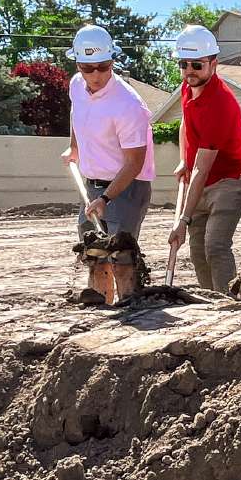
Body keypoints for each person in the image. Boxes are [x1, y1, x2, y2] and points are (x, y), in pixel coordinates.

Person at [61, 24, 155, 303]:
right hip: (91, 184)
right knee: (93, 250)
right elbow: (76, 114)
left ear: (113, 61)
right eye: (87, 68)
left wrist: (106, 198)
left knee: (121, 254)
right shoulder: (76, 85)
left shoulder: (129, 105)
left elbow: (134, 163)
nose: (95, 75)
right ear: (78, 64)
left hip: (127, 187)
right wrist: (74, 147)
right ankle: (100, 305)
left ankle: (129, 305)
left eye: (103, 67)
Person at [167, 25, 241, 292]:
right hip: (201, 177)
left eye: (197, 64)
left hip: (231, 178)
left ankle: (228, 302)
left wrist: (182, 220)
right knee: (197, 251)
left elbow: (202, 170)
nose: (189, 71)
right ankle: (210, 301)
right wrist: (184, 158)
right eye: (183, 64)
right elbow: (185, 123)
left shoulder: (220, 103)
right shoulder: (187, 88)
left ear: (213, 64)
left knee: (215, 245)